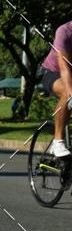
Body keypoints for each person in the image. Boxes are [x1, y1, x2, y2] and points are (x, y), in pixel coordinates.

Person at [39, 20, 72, 157]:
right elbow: (64, 68)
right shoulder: (64, 31)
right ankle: (57, 142)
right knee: (67, 92)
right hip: (53, 72)